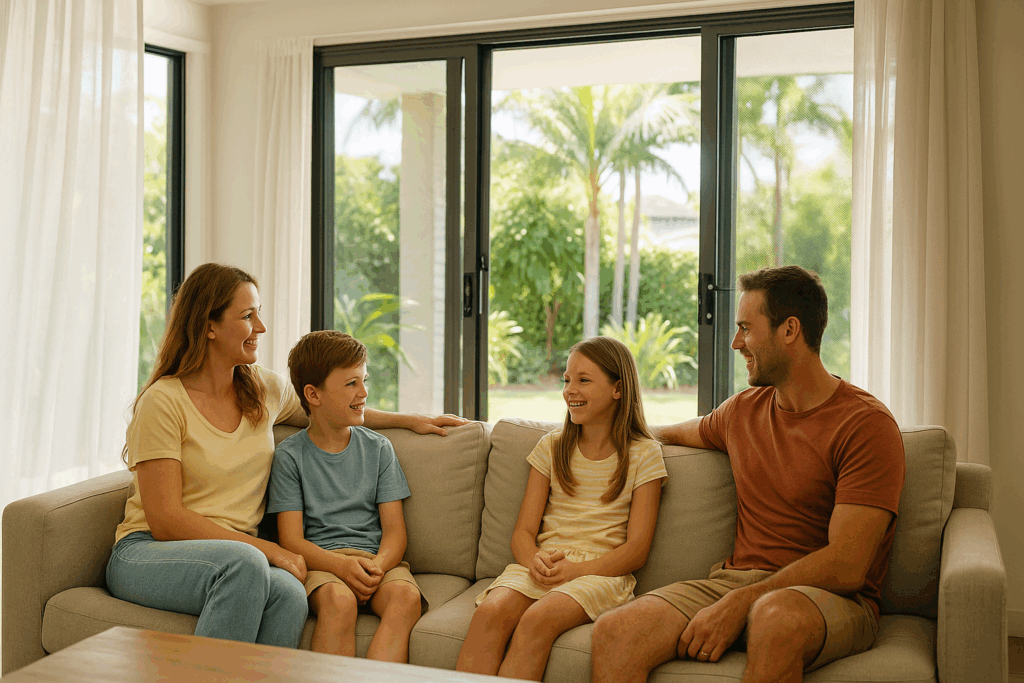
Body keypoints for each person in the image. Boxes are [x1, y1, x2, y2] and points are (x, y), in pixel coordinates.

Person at [106, 263, 465, 649]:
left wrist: (411, 419)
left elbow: (330, 407)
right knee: (245, 566)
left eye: (258, 313)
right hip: (149, 552)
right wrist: (271, 550)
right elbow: (165, 520)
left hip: (240, 556)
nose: (260, 327)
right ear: (208, 326)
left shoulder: (262, 388)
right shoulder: (164, 401)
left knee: (290, 595)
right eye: (247, 316)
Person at [590, 265, 905, 683]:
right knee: (616, 631)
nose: (736, 342)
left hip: (828, 599)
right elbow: (666, 432)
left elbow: (848, 565)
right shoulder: (742, 411)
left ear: (789, 330)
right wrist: (585, 433)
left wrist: (743, 603)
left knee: (775, 618)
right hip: (734, 583)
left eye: (745, 329)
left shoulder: (865, 425)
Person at [456, 336, 667, 681]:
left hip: (601, 573)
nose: (570, 390)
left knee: (539, 618)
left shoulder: (644, 454)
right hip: (546, 563)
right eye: (567, 380)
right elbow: (523, 533)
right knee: (490, 612)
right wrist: (532, 560)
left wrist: (576, 572)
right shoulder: (551, 447)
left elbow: (636, 549)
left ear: (618, 388)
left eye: (584, 380)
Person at [267, 330, 425, 661]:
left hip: (376, 562)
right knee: (340, 602)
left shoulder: (379, 448)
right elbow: (292, 540)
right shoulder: (290, 456)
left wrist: (376, 568)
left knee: (406, 600)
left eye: (364, 380)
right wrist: (341, 566)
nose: (364, 392)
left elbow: (395, 532)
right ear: (314, 394)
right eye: (351, 383)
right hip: (322, 563)